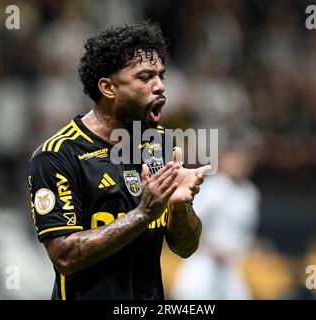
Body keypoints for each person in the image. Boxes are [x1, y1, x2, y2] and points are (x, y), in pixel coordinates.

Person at [27, 21, 210, 300]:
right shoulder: (58, 156)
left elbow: (186, 247)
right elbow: (64, 256)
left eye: (161, 75)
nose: (160, 86)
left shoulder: (160, 144)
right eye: (145, 77)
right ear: (108, 88)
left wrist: (180, 207)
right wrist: (143, 214)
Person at [172, 136, 261, 299]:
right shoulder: (213, 188)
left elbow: (247, 233)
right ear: (223, 160)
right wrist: (211, 248)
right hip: (203, 262)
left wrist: (255, 246)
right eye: (233, 159)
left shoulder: (251, 193)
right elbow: (190, 223)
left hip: (233, 265)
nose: (238, 164)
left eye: (242, 160)